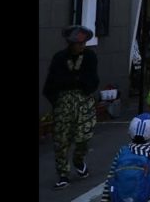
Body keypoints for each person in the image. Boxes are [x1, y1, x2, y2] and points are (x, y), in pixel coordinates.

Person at [43, 25, 100, 189]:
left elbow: (93, 79)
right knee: (61, 140)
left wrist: (83, 87)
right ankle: (63, 174)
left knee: (84, 135)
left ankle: (78, 159)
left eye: (83, 43)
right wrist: (58, 101)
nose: (82, 46)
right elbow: (51, 84)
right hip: (64, 102)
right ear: (71, 43)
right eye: (78, 43)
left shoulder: (89, 56)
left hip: (83, 100)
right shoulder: (59, 58)